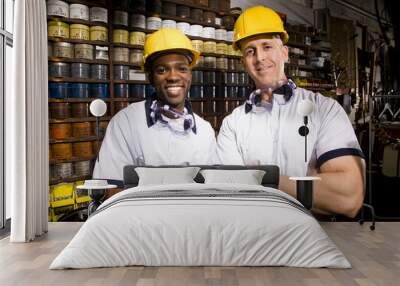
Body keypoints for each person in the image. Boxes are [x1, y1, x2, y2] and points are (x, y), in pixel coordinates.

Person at [216, 6, 365, 217]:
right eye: (250, 51)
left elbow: (348, 196)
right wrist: (310, 181)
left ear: (284, 53)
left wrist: (262, 179)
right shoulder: (233, 124)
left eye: (267, 46)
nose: (259, 58)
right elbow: (232, 198)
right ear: (244, 63)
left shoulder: (325, 110)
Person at [93, 28, 217, 183]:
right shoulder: (124, 123)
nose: (173, 76)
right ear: (150, 77)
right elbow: (109, 188)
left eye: (182, 68)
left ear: (190, 76)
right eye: (162, 70)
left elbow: (214, 190)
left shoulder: (205, 132)